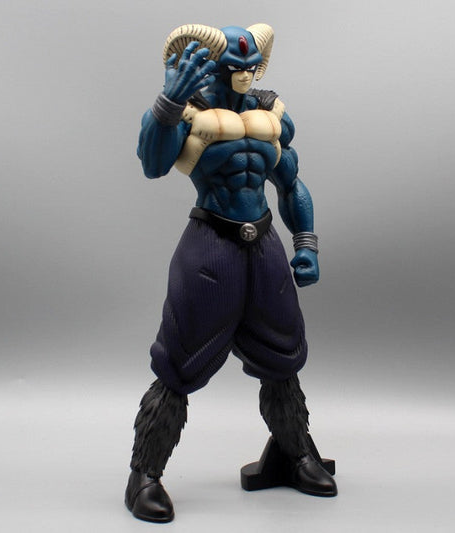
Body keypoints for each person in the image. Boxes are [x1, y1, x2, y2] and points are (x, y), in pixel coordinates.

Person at [125, 23, 337, 523]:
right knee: (180, 362)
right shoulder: (191, 110)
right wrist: (167, 103)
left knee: (282, 355)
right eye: (232, 68)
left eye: (250, 66)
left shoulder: (269, 114)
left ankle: (293, 453)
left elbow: (290, 182)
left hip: (262, 242)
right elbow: (152, 163)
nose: (243, 75)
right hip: (211, 243)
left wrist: (305, 242)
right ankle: (144, 475)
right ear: (214, 67)